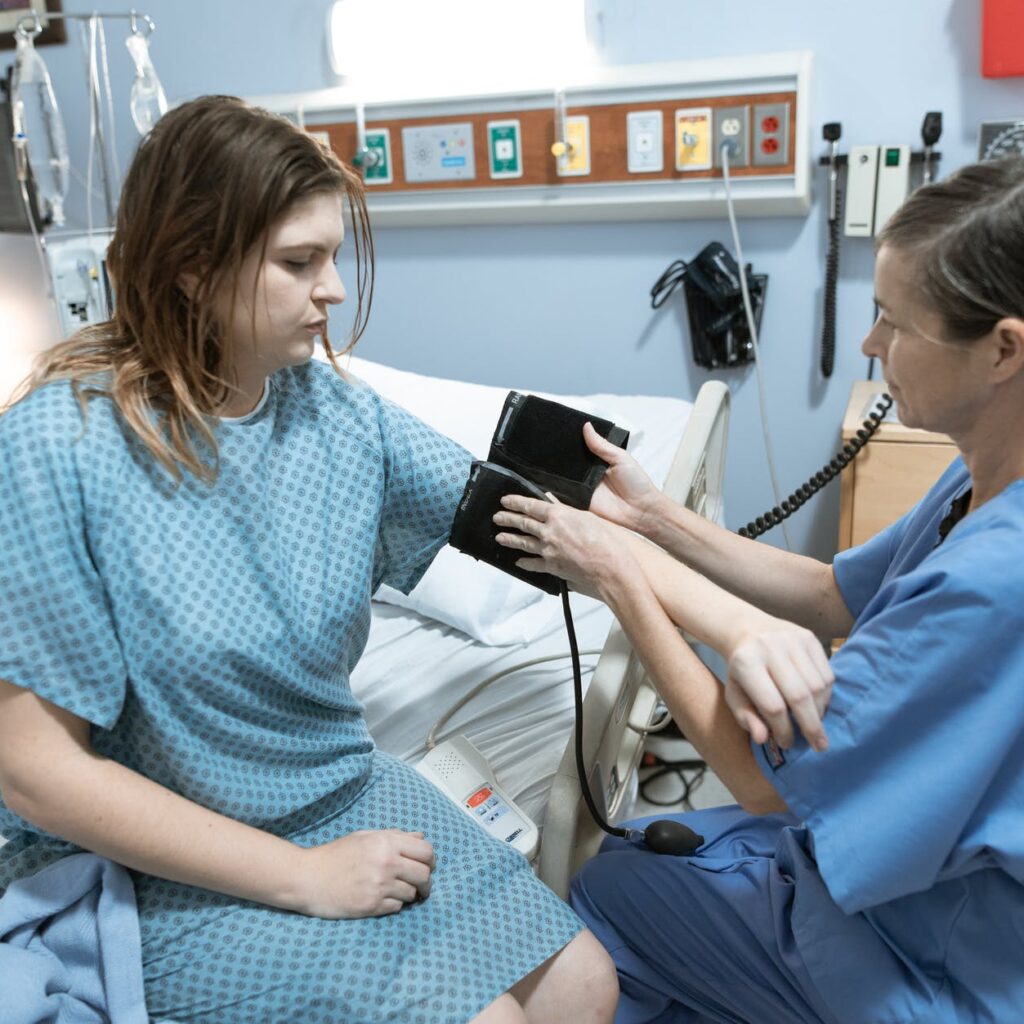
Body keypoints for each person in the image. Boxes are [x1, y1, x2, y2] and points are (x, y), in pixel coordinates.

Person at [0, 95, 619, 1024]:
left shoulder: (335, 414)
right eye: (299, 263)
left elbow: (532, 525)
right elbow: (35, 773)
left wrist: (717, 598)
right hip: (159, 857)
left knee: (585, 987)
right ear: (190, 266)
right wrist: (300, 878)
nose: (333, 289)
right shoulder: (60, 447)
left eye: (333, 258)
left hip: (338, 787)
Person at [492, 157, 1024, 1023]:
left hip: (938, 965)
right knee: (690, 851)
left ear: (1003, 348)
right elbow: (826, 595)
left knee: (610, 889)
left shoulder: (994, 583)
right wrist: (661, 518)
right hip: (923, 896)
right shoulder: (980, 475)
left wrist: (620, 576)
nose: (870, 345)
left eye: (894, 320)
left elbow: (760, 782)